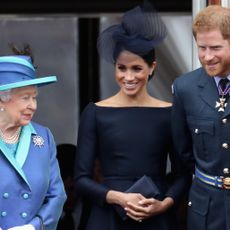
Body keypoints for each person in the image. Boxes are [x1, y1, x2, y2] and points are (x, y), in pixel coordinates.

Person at [74, 1, 190, 229]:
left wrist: (164, 204)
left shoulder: (170, 113)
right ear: (115, 67)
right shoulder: (95, 113)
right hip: (108, 217)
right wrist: (118, 197)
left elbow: (183, 175)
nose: (128, 77)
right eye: (121, 68)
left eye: (136, 68)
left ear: (152, 67)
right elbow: (81, 180)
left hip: (156, 215)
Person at [171, 5, 230, 230]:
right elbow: (182, 152)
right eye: (201, 47)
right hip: (206, 209)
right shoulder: (184, 88)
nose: (207, 57)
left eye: (215, 48)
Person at [0, 46, 67, 230]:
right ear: (2, 99)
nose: (33, 106)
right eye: (25, 98)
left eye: (35, 97)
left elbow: (57, 195)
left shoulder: (43, 137)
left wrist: (33, 227)